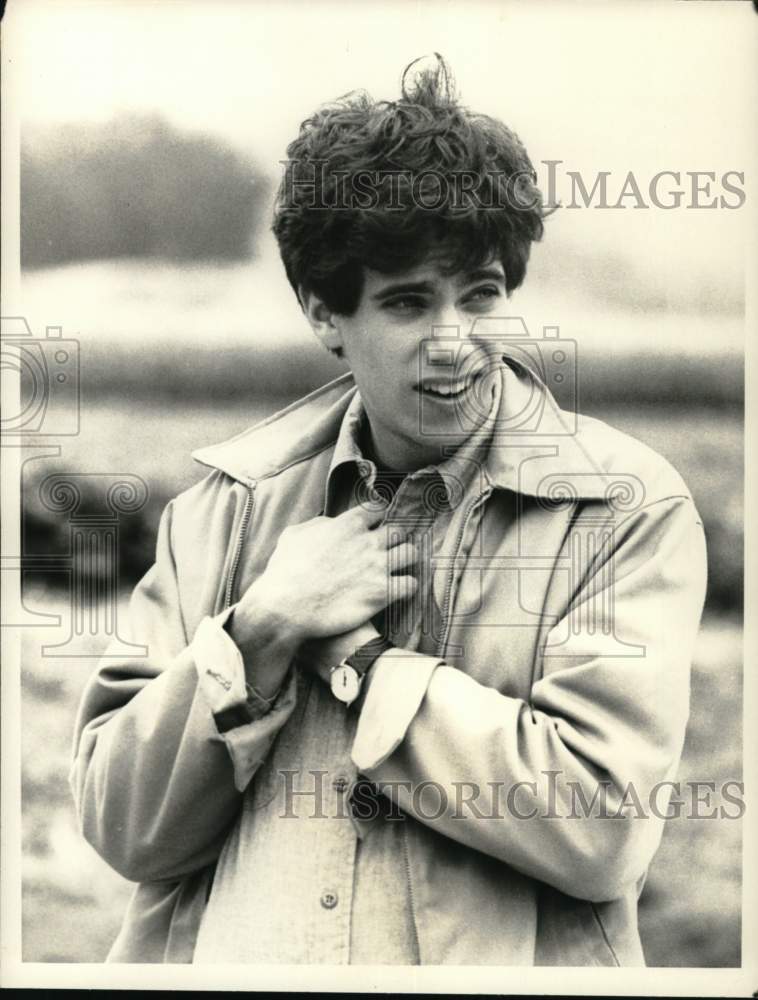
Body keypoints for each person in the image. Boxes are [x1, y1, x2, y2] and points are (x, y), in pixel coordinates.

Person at [70, 54, 707, 965]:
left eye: (480, 294)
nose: (456, 342)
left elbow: (601, 827)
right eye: (409, 302)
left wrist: (360, 663)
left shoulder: (623, 509)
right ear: (324, 313)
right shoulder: (221, 510)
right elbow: (122, 826)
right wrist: (259, 631)